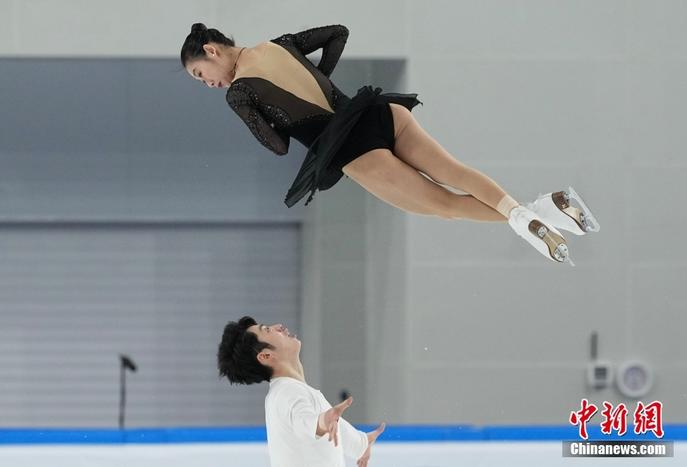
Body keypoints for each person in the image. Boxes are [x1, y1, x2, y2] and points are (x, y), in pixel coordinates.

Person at [180, 23, 600, 263]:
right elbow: (338, 33)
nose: (208, 84)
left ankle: (536, 216)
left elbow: (277, 146)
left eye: (201, 75)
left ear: (212, 51)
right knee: (457, 173)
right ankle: (540, 210)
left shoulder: (239, 92)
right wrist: (321, 78)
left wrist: (269, 114)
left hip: (353, 150)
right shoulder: (279, 45)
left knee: (447, 205)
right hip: (377, 112)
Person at [217, 316, 385, 467]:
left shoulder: (289, 391)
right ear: (266, 356)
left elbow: (335, 427)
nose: (278, 326)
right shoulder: (288, 393)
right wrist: (321, 423)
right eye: (267, 330)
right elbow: (306, 422)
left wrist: (363, 443)